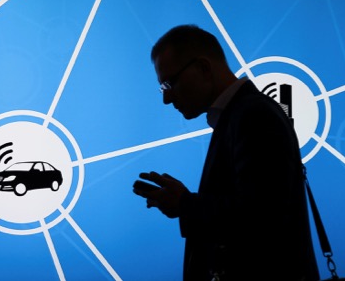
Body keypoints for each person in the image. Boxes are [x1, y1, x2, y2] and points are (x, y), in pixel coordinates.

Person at [133, 24, 319, 281]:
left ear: (204, 68)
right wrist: (186, 202)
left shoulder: (253, 116)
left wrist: (185, 204)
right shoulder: (242, 114)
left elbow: (262, 218)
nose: (167, 99)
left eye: (169, 83)